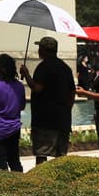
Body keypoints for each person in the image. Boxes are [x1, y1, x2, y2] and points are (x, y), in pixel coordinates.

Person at [20, 37, 75, 165]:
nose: (38, 50)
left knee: (42, 154)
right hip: (63, 119)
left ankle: (41, 182)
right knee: (61, 157)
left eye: (40, 48)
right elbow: (72, 92)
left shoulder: (44, 67)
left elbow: (38, 88)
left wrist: (26, 74)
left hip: (45, 120)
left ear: (44, 50)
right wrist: (67, 109)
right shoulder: (65, 67)